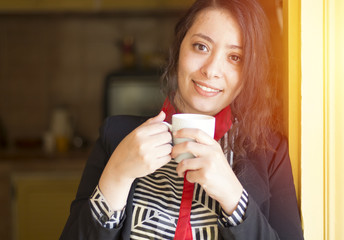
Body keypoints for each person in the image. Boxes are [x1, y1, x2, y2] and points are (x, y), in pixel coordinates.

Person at [61, 0, 304, 239]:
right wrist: (116, 176)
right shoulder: (115, 136)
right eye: (201, 46)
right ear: (179, 49)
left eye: (235, 57)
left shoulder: (271, 153)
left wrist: (234, 198)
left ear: (248, 72)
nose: (211, 70)